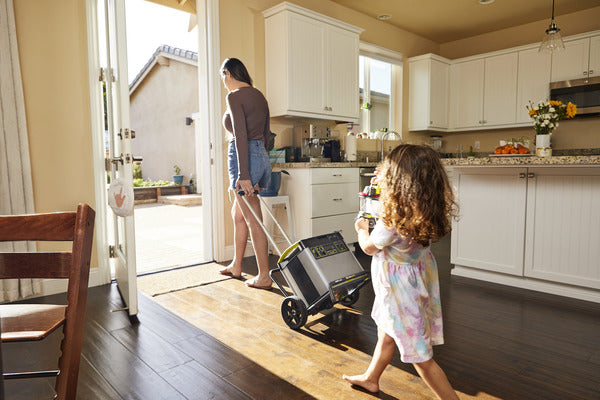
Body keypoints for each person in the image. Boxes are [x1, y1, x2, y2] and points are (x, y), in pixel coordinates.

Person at [343, 144, 459, 400]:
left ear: (399, 182)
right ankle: (371, 379)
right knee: (387, 332)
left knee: (421, 356)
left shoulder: (391, 221)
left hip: (399, 291)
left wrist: (362, 228)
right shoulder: (422, 210)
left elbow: (369, 247)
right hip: (417, 280)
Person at [218, 58, 272, 290]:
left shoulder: (235, 96)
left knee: (252, 218)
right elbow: (267, 136)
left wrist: (245, 174)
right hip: (259, 156)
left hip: (245, 159)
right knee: (238, 214)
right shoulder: (259, 95)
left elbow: (240, 135)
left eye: (223, 78)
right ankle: (236, 265)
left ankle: (264, 276)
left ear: (227, 73)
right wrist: (261, 171)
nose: (224, 83)